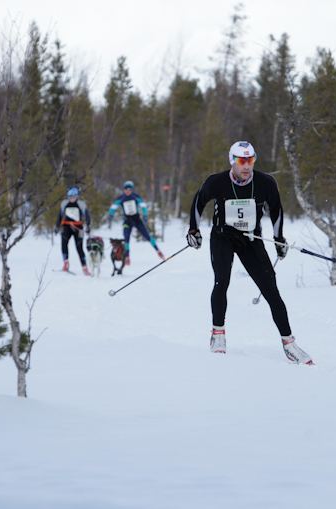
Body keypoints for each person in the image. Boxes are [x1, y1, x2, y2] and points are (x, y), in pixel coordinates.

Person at [186, 141, 313, 365]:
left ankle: (290, 344)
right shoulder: (216, 181)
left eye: (251, 160)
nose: (247, 166)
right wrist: (193, 230)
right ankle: (218, 335)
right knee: (221, 281)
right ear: (232, 161)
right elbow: (198, 202)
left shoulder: (266, 182)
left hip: (252, 239)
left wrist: (279, 239)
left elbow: (277, 211)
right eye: (242, 161)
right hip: (223, 237)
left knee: (271, 290)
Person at [108, 181, 165, 264]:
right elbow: (113, 207)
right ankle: (127, 257)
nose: (128, 191)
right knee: (126, 239)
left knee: (147, 236)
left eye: (129, 189)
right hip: (127, 221)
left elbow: (143, 205)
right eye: (126, 189)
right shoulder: (121, 198)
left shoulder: (135, 196)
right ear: (124, 189)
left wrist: (145, 215)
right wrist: (110, 215)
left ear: (132, 190)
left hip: (136, 219)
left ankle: (158, 251)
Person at [56, 187, 91, 275]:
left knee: (79, 247)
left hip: (78, 227)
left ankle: (84, 267)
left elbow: (87, 216)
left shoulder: (81, 204)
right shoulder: (64, 203)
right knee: (64, 243)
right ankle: (66, 263)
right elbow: (60, 215)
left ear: (77, 197)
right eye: (70, 197)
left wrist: (88, 226)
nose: (72, 199)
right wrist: (57, 226)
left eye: (73, 197)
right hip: (66, 226)